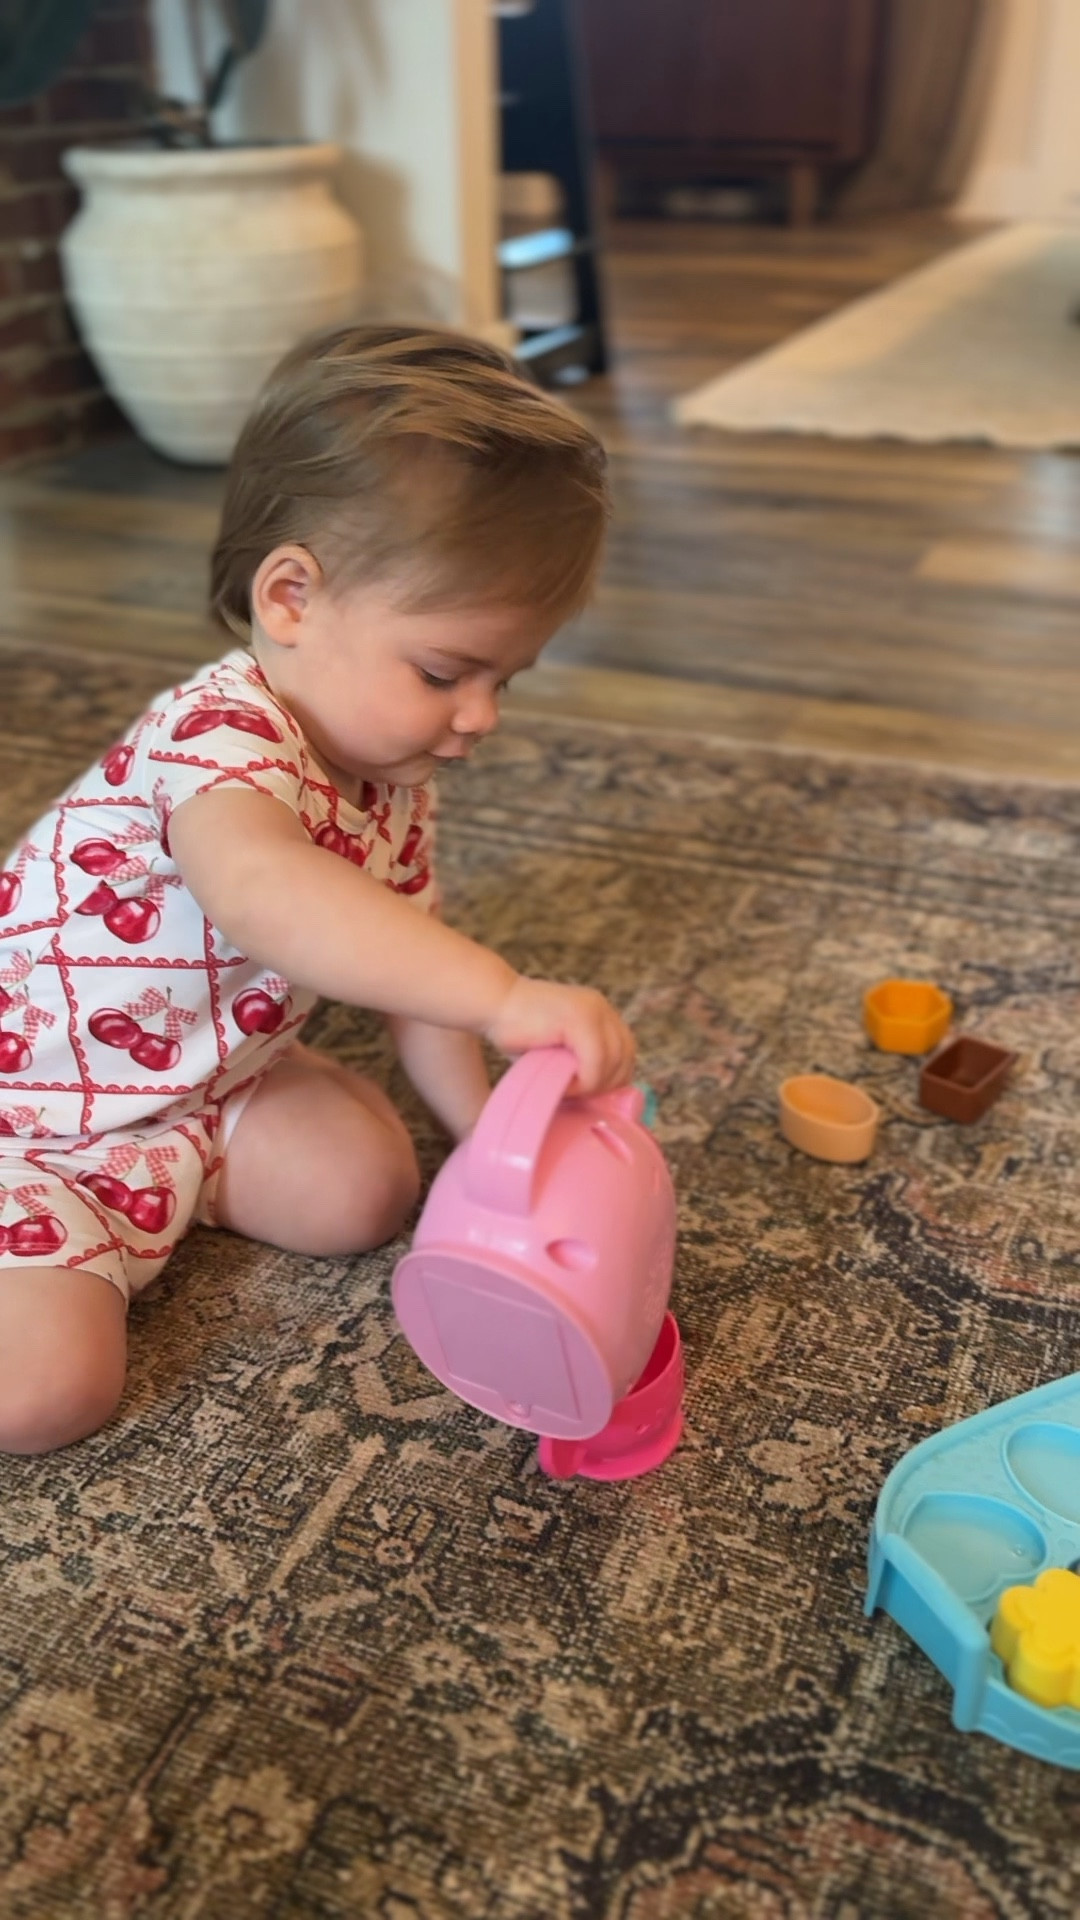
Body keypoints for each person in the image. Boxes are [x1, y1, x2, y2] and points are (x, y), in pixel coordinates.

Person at [0, 324, 636, 1455]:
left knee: (366, 1193)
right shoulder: (218, 745)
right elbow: (266, 895)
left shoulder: (389, 766)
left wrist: (490, 1131)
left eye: (507, 679)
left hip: (199, 1090)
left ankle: (176, 1168)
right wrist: (502, 997)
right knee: (44, 1395)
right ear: (290, 597)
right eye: (446, 671)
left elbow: (406, 963)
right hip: (32, 1121)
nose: (482, 715)